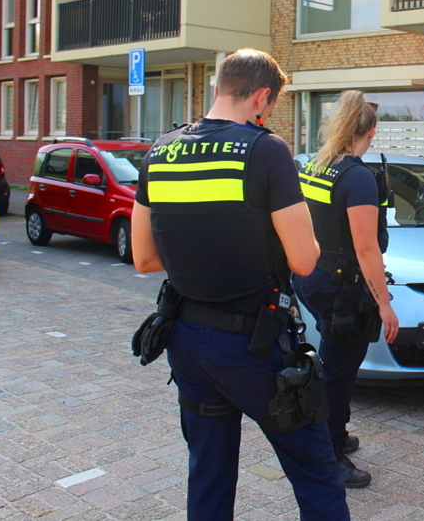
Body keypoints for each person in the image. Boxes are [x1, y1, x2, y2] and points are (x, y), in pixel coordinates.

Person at [131, 49, 349, 521]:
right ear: (262, 98)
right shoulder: (266, 150)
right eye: (270, 106)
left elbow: (144, 257)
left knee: (208, 476)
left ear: (217, 87)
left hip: (186, 340)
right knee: (316, 472)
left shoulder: (160, 150)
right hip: (255, 344)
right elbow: (304, 259)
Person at [293, 90, 399, 488]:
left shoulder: (318, 166)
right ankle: (329, 451)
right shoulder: (358, 177)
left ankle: (334, 432)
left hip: (313, 278)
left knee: (334, 361)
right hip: (343, 290)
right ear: (371, 131)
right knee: (339, 371)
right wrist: (384, 303)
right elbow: (366, 246)